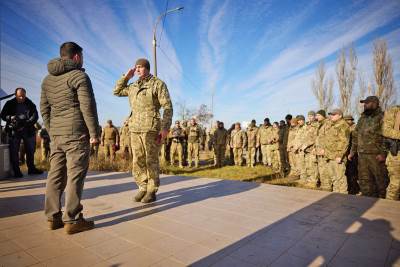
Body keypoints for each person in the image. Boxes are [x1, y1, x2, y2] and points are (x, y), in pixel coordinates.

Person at [41, 41, 100, 234]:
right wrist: (93, 133)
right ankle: (72, 220)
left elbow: (45, 110)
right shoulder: (79, 76)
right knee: (75, 175)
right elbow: (87, 107)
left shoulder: (47, 80)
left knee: (55, 175)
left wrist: (52, 131)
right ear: (76, 57)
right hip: (76, 135)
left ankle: (52, 217)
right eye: (82, 56)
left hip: (57, 135)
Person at [114, 58, 172, 203]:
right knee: (137, 160)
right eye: (136, 67)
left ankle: (152, 190)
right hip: (134, 127)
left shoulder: (157, 84)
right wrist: (126, 77)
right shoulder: (133, 86)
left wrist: (165, 128)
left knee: (150, 160)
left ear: (147, 68)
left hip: (150, 128)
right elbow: (117, 91)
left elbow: (168, 107)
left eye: (140, 67)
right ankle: (142, 187)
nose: (137, 69)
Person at [349, 96, 388, 198]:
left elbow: (386, 136)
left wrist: (383, 154)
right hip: (362, 155)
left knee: (380, 180)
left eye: (367, 103)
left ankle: (382, 203)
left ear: (374, 103)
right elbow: (355, 135)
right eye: (364, 103)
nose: (365, 105)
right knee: (364, 180)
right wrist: (352, 151)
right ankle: (367, 201)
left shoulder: (382, 117)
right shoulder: (362, 118)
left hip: (376, 155)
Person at [1, 87, 43, 178]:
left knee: (31, 150)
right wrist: (10, 117)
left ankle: (31, 169)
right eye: (19, 96)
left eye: (23, 96)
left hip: (28, 130)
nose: (22, 98)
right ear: (16, 95)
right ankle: (17, 171)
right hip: (14, 131)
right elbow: (3, 115)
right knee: (14, 151)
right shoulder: (9, 103)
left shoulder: (30, 103)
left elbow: (35, 116)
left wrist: (26, 124)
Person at [318, 109, 350, 193]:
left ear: (340, 115)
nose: (331, 116)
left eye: (334, 114)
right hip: (329, 155)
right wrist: (323, 150)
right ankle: (336, 195)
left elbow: (344, 142)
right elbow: (327, 140)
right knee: (334, 178)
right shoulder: (331, 125)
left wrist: (340, 155)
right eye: (331, 114)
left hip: (337, 156)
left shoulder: (343, 125)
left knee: (340, 178)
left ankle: (343, 196)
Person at [382, 105, 400, 200]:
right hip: (397, 155)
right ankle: (388, 210)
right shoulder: (395, 111)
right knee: (395, 186)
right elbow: (386, 130)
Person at [300, 111, 319, 187]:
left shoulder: (316, 125)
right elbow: (305, 137)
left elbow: (315, 138)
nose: (310, 117)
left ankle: (314, 181)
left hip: (312, 148)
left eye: (311, 116)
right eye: (309, 116)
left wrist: (306, 144)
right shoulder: (308, 126)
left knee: (313, 166)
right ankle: (309, 179)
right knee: (308, 165)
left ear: (315, 117)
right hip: (306, 149)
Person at [344, 115, 359, 194]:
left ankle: (354, 188)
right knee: (347, 172)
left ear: (351, 120)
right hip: (347, 152)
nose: (346, 122)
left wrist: (352, 153)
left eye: (348, 120)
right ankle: (350, 187)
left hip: (353, 153)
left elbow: (355, 142)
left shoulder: (355, 128)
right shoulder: (346, 128)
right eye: (345, 120)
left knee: (352, 172)